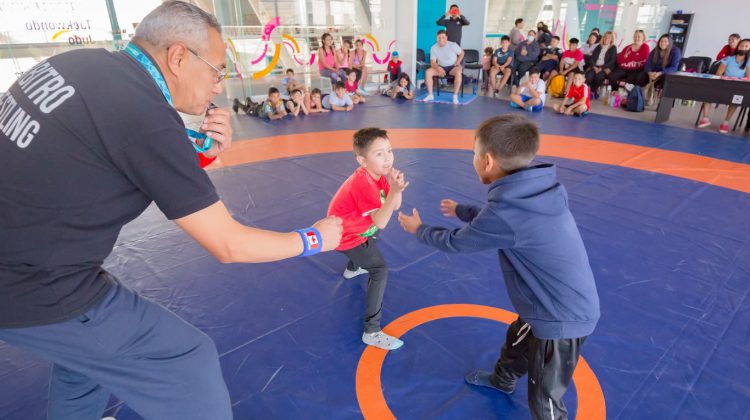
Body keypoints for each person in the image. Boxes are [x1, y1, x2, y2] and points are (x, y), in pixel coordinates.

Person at [0, 2, 343, 419]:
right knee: (186, 360)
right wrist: (316, 238)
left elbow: (116, 155)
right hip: (32, 282)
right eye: (217, 70)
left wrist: (199, 156)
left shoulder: (82, 64)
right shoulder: (144, 115)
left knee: (85, 362)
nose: (217, 87)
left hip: (19, 250)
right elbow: (228, 244)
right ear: (179, 57)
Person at [397, 115, 599, 420]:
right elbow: (503, 223)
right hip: (551, 304)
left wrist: (419, 229)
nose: (473, 159)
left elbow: (457, 243)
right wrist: (462, 210)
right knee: (517, 339)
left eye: (474, 153)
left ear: (488, 161)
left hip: (561, 320)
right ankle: (502, 380)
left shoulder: (506, 213)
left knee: (545, 397)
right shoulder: (543, 190)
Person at [328, 128, 409, 350]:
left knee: (373, 231)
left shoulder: (378, 175)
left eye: (389, 151)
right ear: (362, 160)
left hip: (354, 227)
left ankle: (353, 267)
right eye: (379, 154)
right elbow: (381, 221)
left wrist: (396, 189)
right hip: (343, 236)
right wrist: (394, 191)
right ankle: (371, 331)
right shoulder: (362, 183)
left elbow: (395, 205)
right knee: (379, 270)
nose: (388, 158)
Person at [698, 38, 750, 133]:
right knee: (707, 94)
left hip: (738, 86)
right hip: (724, 84)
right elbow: (719, 73)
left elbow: (748, 77)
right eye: (742, 45)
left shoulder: (749, 61)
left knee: (736, 100)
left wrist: (739, 80)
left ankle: (725, 123)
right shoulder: (728, 59)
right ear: (738, 46)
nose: (743, 47)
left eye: (746, 46)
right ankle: (705, 118)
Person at [424, 29, 465, 104]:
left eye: (443, 37)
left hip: (453, 67)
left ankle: (455, 96)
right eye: (439, 37)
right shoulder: (433, 47)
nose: (441, 39)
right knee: (428, 72)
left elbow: (462, 53)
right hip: (441, 67)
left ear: (446, 38)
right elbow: (432, 62)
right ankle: (430, 95)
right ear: (437, 38)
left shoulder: (453, 45)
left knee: (459, 71)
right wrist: (438, 68)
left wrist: (458, 61)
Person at [585, 31, 617, 95]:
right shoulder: (599, 46)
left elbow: (612, 61)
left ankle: (593, 91)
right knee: (589, 77)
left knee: (599, 77)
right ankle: (588, 91)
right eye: (605, 37)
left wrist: (601, 68)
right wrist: (594, 67)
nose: (606, 39)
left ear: (611, 40)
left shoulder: (613, 48)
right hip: (595, 66)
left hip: (604, 67)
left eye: (609, 38)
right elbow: (592, 58)